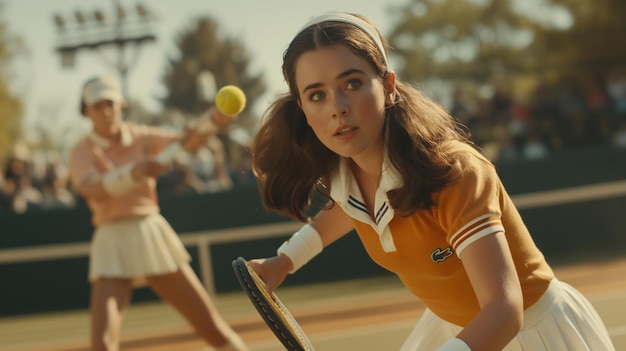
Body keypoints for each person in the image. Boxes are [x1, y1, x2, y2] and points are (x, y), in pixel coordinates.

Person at [246, 12, 615, 351]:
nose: (337, 106)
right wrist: (283, 261)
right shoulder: (345, 176)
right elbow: (343, 213)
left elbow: (504, 311)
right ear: (304, 111)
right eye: (316, 95)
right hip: (454, 331)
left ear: (388, 86)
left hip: (531, 336)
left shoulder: (455, 172)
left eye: (353, 83)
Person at [68, 75, 248, 351]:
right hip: (111, 241)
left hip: (150, 233)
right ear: (86, 111)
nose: (105, 111)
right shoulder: (81, 152)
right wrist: (134, 172)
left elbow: (187, 141)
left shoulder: (142, 135)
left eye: (110, 103)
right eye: (97, 106)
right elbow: (93, 189)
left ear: (121, 105)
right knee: (102, 345)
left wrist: (213, 121)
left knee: (213, 329)